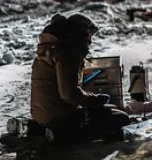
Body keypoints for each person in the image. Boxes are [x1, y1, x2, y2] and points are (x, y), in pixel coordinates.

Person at [30, 13, 130, 141]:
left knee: (109, 111)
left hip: (41, 115)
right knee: (121, 118)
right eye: (89, 35)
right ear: (80, 32)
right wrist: (96, 100)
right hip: (59, 116)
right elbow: (69, 94)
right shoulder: (67, 52)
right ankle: (62, 136)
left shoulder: (49, 50)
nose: (90, 40)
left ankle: (46, 129)